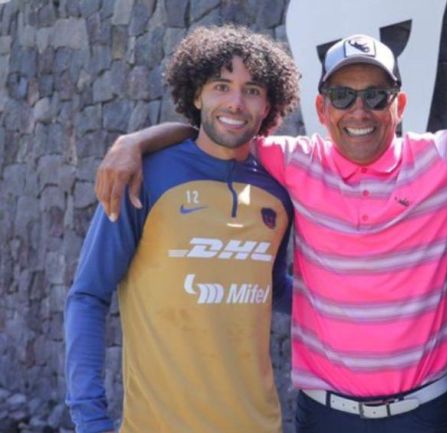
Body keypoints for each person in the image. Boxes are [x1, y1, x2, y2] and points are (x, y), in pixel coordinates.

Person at [92, 32, 447, 433]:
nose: (360, 110)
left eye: (375, 96)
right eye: (343, 96)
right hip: (325, 416)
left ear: (399, 103)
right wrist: (134, 142)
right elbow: (220, 129)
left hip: (426, 414)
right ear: (322, 110)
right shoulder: (290, 161)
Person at [64, 25, 299, 433]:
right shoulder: (143, 175)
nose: (236, 103)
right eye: (221, 86)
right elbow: (87, 295)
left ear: (268, 106)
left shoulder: (278, 192)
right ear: (196, 94)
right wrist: (90, 419)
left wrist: (357, 309)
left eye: (253, 90)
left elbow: (274, 288)